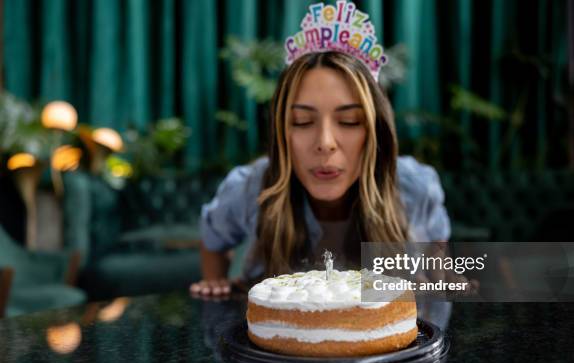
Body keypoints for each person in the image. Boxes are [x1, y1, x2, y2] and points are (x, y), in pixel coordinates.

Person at [190, 2, 454, 298]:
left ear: (375, 131)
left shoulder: (416, 187)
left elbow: (439, 275)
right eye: (302, 122)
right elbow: (213, 241)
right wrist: (215, 285)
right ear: (281, 132)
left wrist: (443, 286)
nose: (325, 142)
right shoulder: (249, 187)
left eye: (349, 121)